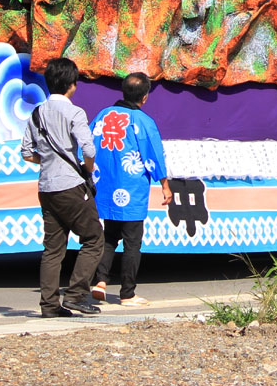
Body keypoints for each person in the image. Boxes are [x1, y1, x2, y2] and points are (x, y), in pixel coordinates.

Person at [21, 56, 105, 317]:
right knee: (93, 238)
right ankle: (77, 295)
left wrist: (46, 159)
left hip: (46, 187)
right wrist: (87, 167)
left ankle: (49, 305)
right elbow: (89, 148)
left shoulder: (36, 113)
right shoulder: (74, 112)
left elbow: (26, 152)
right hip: (71, 186)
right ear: (72, 84)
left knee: (53, 249)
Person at [90, 73, 172, 307]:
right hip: (131, 189)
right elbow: (154, 155)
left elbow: (86, 145)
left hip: (106, 185)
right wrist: (165, 185)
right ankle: (127, 293)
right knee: (132, 242)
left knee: (109, 236)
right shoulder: (143, 121)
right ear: (144, 97)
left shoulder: (103, 116)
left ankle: (101, 281)